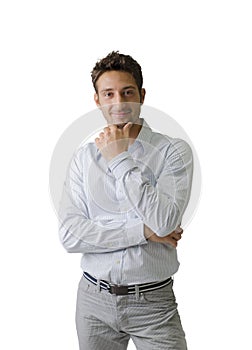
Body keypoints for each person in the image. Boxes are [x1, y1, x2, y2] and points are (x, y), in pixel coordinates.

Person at [59, 51, 193, 350]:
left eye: (127, 92)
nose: (119, 103)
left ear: (142, 95)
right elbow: (70, 235)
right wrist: (144, 232)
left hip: (153, 304)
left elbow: (165, 221)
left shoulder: (173, 151)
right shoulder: (83, 159)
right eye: (109, 94)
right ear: (98, 100)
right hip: (93, 301)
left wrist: (119, 158)